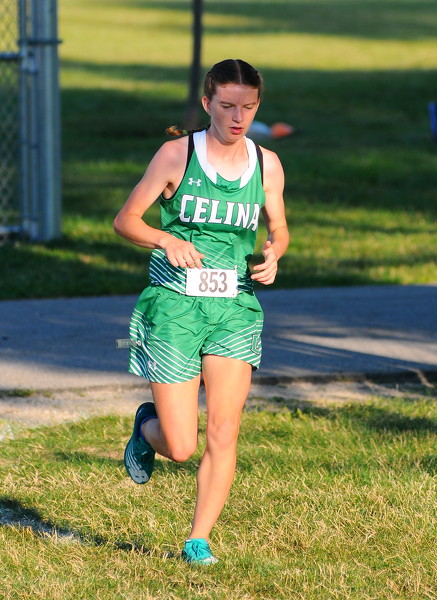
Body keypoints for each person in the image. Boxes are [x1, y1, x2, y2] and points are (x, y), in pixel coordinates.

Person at [113, 58, 289, 565]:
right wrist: (165, 239)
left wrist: (275, 251)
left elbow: (278, 227)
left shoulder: (267, 163)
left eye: (248, 108)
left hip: (234, 307)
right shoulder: (176, 155)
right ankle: (146, 428)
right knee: (181, 446)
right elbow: (126, 220)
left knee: (224, 431)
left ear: (257, 106)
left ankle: (199, 540)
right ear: (207, 103)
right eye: (227, 106)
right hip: (174, 308)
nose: (237, 117)